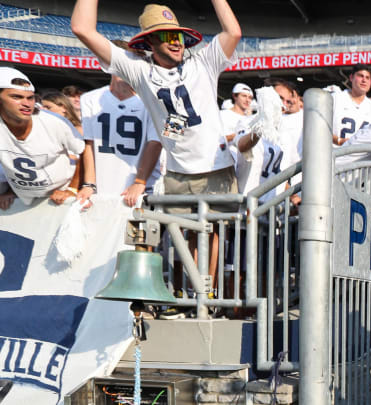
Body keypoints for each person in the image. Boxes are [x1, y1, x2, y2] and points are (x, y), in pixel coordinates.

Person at [72, 0, 242, 299]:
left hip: (215, 166)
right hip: (176, 170)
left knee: (213, 231)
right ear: (150, 41)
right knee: (182, 236)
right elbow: (82, 29)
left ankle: (207, 294)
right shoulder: (137, 70)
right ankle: (184, 294)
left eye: (178, 36)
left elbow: (233, 32)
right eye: (166, 36)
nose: (175, 42)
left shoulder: (204, 62)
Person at [79, 42, 164, 205]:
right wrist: (89, 183)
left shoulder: (152, 99)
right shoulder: (90, 99)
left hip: (140, 185)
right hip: (104, 183)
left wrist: (140, 181)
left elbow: (154, 143)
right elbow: (89, 143)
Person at [0, 67, 93, 208]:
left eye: (30, 98)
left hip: (59, 197)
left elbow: (82, 150)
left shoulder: (54, 122)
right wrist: (9, 190)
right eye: (16, 97)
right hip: (22, 199)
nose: (26, 103)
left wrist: (72, 189)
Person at [331, 64, 371, 145]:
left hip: (364, 157)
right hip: (337, 154)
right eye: (360, 76)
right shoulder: (335, 99)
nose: (364, 80)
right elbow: (319, 128)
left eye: (367, 77)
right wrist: (339, 141)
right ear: (351, 78)